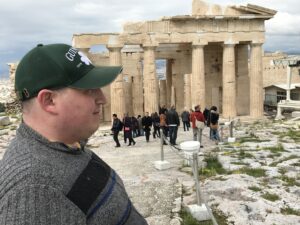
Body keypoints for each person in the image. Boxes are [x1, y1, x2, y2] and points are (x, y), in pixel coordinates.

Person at [0, 43, 147, 225]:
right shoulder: (33, 190)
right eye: (90, 89)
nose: (103, 99)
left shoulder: (68, 145)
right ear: (49, 100)